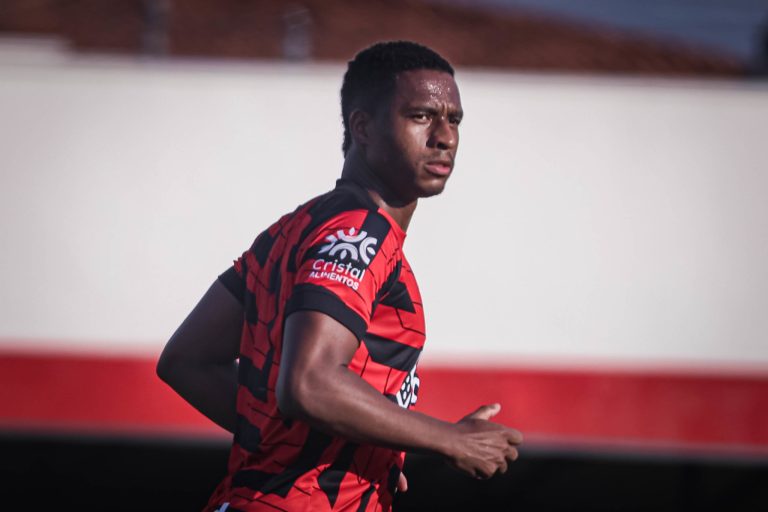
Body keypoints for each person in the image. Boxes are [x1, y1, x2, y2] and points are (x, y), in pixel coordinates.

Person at [157, 40, 523, 512]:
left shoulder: (297, 227)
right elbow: (309, 381)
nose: (444, 136)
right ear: (363, 127)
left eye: (453, 120)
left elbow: (186, 360)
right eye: (421, 116)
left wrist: (364, 452)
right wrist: (451, 439)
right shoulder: (360, 232)